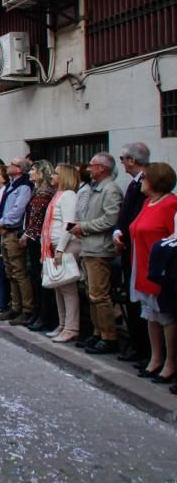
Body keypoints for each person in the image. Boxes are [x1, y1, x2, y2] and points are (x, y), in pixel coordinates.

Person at [127, 163, 177, 382]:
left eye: (144, 178)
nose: (141, 182)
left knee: (165, 315)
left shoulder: (170, 204)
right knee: (150, 314)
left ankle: (170, 362)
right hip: (142, 263)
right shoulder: (148, 202)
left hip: (160, 267)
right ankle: (155, 358)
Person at [71, 152, 124, 355]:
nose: (89, 169)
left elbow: (110, 220)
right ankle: (97, 332)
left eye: (92, 165)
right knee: (92, 294)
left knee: (99, 295)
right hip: (89, 247)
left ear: (102, 168)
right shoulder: (96, 189)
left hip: (100, 248)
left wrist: (83, 227)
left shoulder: (110, 190)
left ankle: (108, 336)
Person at [113, 142, 152, 364]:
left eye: (123, 159)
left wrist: (124, 236)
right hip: (126, 246)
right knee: (131, 297)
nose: (122, 163)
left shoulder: (145, 184)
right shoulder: (133, 184)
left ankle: (143, 347)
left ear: (132, 160)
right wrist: (119, 231)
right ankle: (137, 345)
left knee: (139, 302)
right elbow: (126, 214)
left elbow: (139, 217)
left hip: (137, 250)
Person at [41, 163, 81, 343]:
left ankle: (71, 327)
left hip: (64, 246)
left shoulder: (69, 196)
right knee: (58, 286)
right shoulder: (58, 195)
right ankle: (62, 323)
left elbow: (68, 223)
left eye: (56, 173)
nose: (52, 176)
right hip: (53, 245)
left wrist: (60, 249)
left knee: (67, 288)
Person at [0, 157, 34, 326]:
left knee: (19, 272)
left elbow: (18, 210)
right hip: (4, 231)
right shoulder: (11, 185)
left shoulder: (24, 186)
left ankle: (27, 309)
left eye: (12, 164)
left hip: (13, 231)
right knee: (10, 272)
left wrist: (1, 222)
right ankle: (15, 306)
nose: (8, 166)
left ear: (18, 169)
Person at [22, 160, 57, 332]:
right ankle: (37, 313)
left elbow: (39, 219)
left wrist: (28, 234)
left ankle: (45, 316)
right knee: (34, 278)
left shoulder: (46, 193)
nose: (29, 172)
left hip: (40, 241)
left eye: (33, 170)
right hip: (33, 239)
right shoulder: (37, 191)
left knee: (41, 279)